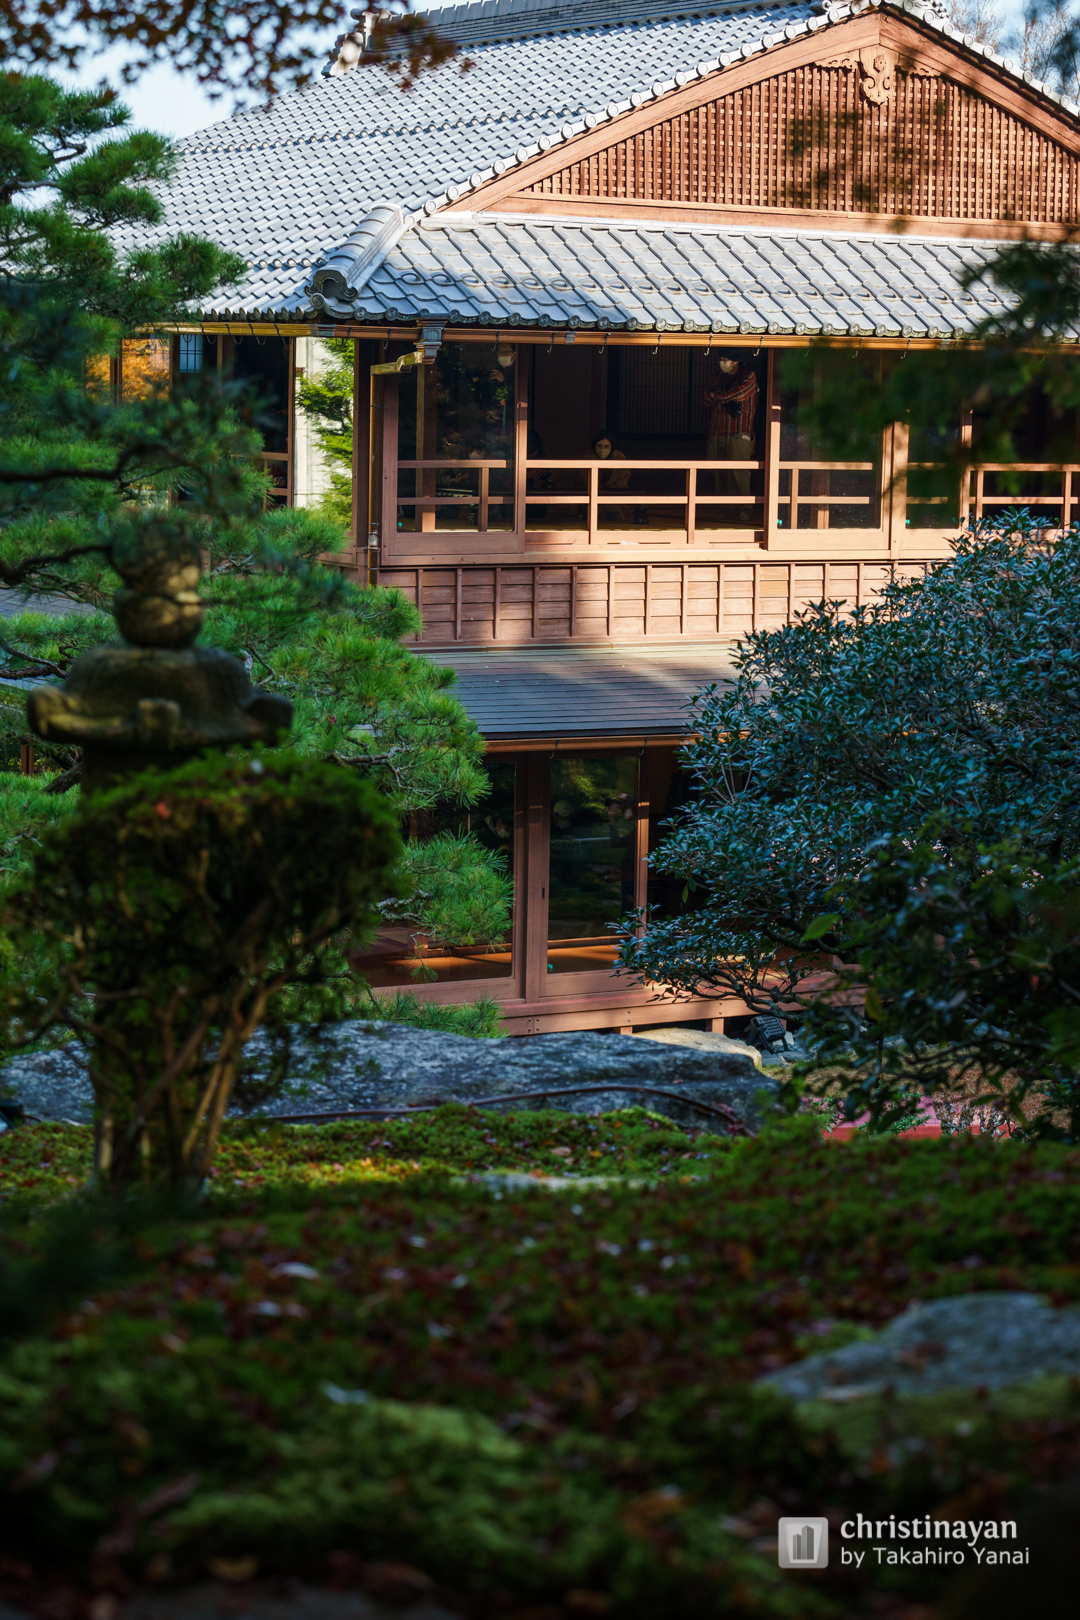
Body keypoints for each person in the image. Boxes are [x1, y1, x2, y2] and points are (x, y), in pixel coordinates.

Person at [706, 356, 758, 496]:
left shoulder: (748, 375)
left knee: (739, 472)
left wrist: (717, 397)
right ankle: (723, 509)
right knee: (719, 473)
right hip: (717, 431)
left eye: (725, 359)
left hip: (739, 432)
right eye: (721, 359)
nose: (722, 362)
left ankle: (743, 509)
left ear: (735, 361)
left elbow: (739, 394)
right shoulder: (718, 376)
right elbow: (706, 397)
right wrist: (725, 398)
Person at [593, 431, 634, 525]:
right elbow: (584, 479)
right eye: (599, 446)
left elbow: (622, 482)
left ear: (612, 447)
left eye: (606, 446)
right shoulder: (589, 457)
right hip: (593, 494)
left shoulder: (619, 457)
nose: (602, 449)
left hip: (613, 495)